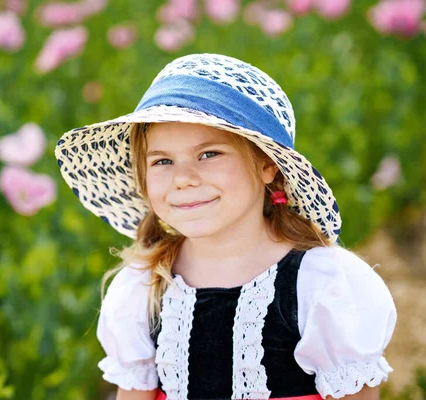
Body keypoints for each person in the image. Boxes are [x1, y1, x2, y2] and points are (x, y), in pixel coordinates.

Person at [54, 54, 397, 400]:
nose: (184, 179)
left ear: (267, 166)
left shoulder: (321, 285)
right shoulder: (145, 286)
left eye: (209, 154)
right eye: (162, 161)